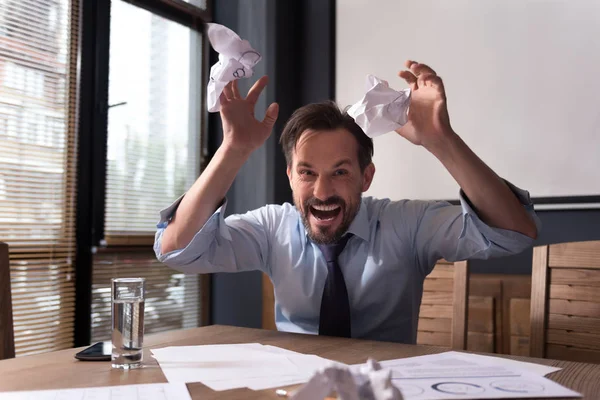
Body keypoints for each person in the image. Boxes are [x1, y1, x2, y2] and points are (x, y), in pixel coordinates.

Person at [154, 60, 539, 343]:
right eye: (307, 173)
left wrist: (441, 140)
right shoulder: (273, 228)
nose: (322, 192)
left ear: (366, 177)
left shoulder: (405, 224)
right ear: (290, 177)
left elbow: (514, 233)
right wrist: (233, 149)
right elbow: (176, 250)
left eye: (340, 172)